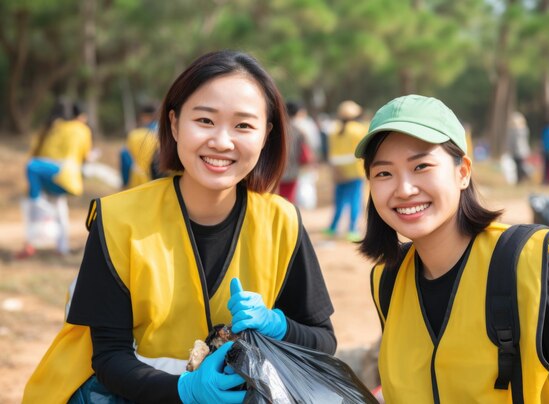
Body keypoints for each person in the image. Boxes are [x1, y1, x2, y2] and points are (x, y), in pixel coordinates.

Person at [24, 50, 336, 404]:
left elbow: (322, 339)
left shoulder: (283, 221)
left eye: (243, 125)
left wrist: (278, 324)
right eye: (205, 120)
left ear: (267, 134)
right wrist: (184, 391)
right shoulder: (117, 219)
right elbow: (109, 356)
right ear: (173, 124)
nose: (221, 141)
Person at [353, 94, 549, 403]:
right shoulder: (388, 281)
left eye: (421, 166)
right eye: (384, 173)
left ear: (463, 172)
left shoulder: (526, 263)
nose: (404, 189)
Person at [15, 100, 93, 259]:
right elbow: (86, 157)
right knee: (59, 208)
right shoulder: (82, 129)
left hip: (52, 174)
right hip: (68, 178)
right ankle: (62, 248)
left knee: (36, 207)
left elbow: (33, 156)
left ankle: (31, 242)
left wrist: (33, 187)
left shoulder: (50, 129)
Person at [326, 100, 368, 241]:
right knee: (355, 199)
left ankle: (333, 227)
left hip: (338, 171)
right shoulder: (358, 129)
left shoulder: (334, 129)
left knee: (339, 200)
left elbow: (331, 151)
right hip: (355, 171)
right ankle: (352, 229)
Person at [278, 100, 315, 203]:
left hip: (276, 171)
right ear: (298, 113)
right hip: (292, 171)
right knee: (288, 200)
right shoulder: (299, 131)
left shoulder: (277, 128)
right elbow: (306, 152)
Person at [119, 103, 163, 189]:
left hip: (136, 182)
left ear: (144, 116)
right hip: (157, 185)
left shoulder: (134, 135)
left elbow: (125, 157)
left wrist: (125, 182)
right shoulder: (162, 135)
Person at [506, 111, 531, 184]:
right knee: (519, 166)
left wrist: (509, 149)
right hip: (522, 151)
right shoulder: (524, 130)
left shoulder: (515, 131)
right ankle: (521, 178)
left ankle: (522, 177)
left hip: (518, 151)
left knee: (519, 166)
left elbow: (512, 142)